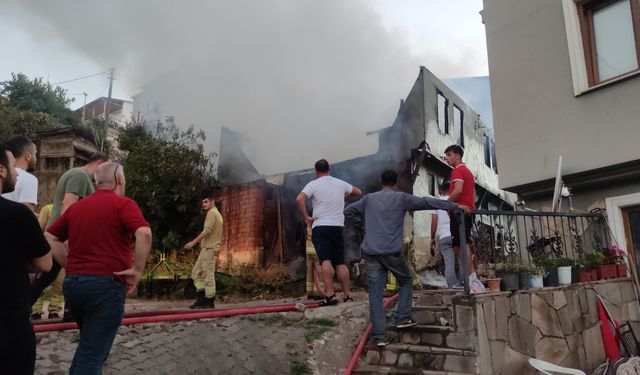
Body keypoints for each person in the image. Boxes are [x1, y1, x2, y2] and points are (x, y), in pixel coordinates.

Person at [45, 162, 152, 374]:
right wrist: (137, 269)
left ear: (96, 182)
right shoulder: (123, 204)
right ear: (120, 181)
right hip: (105, 287)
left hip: (74, 287)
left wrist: (70, 265)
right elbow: (144, 233)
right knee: (92, 355)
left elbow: (50, 235)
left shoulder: (78, 208)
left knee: (91, 348)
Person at [345, 170, 467, 346]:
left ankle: (379, 337)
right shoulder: (401, 198)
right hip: (391, 251)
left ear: (381, 181)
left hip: (370, 252)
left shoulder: (369, 199)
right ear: (395, 182)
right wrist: (454, 206)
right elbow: (426, 202)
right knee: (406, 281)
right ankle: (402, 318)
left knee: (375, 293)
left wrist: (363, 225)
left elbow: (348, 211)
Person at [31, 152, 109, 317]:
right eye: (106, 168)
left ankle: (69, 312)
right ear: (100, 163)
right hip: (61, 235)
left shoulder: (76, 174)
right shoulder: (80, 175)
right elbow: (69, 204)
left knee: (51, 276)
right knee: (69, 273)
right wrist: (68, 237)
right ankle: (20, 311)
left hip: (58, 233)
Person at [0, 144, 52, 375]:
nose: (15, 173)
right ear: (1, 170)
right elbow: (45, 264)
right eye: (13, 167)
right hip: (8, 331)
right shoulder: (19, 215)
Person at [296, 159, 361, 306]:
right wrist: (343, 197)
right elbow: (357, 192)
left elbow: (299, 199)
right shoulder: (339, 183)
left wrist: (306, 217)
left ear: (316, 171)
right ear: (329, 169)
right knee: (340, 261)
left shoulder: (313, 184)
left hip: (321, 227)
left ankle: (330, 294)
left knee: (326, 260)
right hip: (337, 227)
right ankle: (347, 295)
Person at [444, 144, 484, 292]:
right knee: (461, 243)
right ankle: (471, 277)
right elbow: (473, 193)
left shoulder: (457, 170)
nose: (447, 158)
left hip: (459, 211)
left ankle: (469, 279)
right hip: (467, 211)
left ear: (458, 156)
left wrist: (447, 203)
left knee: (461, 244)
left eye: (449, 155)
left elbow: (458, 190)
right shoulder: (468, 172)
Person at [184, 193, 223, 309]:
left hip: (210, 249)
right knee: (196, 273)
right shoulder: (217, 214)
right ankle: (201, 300)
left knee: (208, 274)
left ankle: (209, 301)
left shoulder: (212, 213)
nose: (203, 204)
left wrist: (192, 243)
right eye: (202, 202)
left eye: (206, 202)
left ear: (212, 201)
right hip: (206, 249)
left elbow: (207, 231)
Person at [430, 181, 460, 287]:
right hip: (457, 234)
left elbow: (434, 222)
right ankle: (464, 285)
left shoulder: (437, 202)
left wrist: (432, 238)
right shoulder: (456, 200)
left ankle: (452, 288)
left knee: (449, 264)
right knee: (462, 261)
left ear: (440, 190)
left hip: (443, 236)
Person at [1, 136, 39, 213]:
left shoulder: (3, 176)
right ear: (28, 156)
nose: (36, 158)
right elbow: (27, 214)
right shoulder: (29, 179)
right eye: (35, 154)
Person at [305, 222, 326, 300]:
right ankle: (320, 292)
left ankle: (309, 292)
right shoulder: (318, 225)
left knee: (309, 273)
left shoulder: (307, 225)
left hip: (308, 251)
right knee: (320, 272)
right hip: (316, 252)